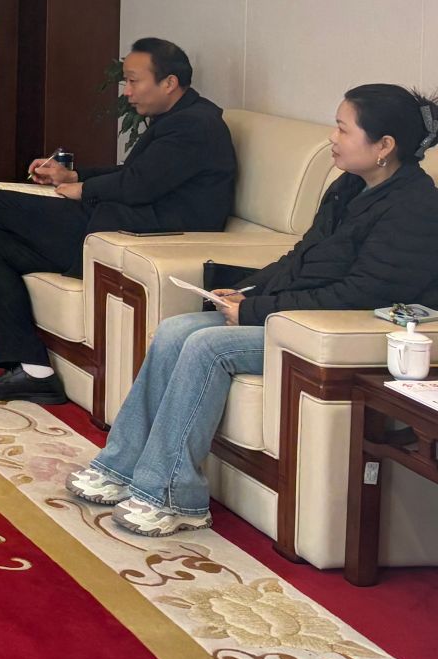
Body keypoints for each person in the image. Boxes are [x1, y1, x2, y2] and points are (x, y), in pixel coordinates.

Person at [70, 84, 438, 536]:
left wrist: (256, 311)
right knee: (174, 330)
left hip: (340, 332)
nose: (332, 137)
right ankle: (120, 466)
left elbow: (361, 294)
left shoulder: (415, 207)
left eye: (343, 129)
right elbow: (302, 257)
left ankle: (172, 496)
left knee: (208, 346)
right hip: (295, 316)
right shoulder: (348, 187)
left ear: (384, 146)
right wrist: (246, 290)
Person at [0, 37, 237, 403]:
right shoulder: (178, 118)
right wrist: (74, 175)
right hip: (117, 223)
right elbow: (134, 172)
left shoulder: (195, 125)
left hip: (137, 232)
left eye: (134, 81)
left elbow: (139, 185)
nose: (126, 92)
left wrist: (83, 189)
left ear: (169, 82)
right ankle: (33, 370)